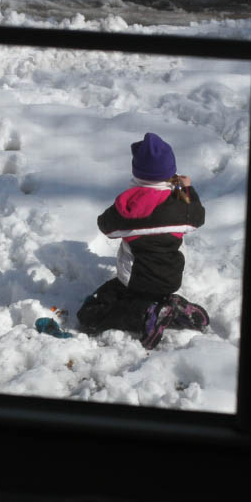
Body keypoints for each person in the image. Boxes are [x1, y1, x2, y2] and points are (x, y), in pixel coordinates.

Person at [77, 132, 210, 349]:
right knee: (152, 295)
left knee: (90, 313)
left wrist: (133, 193)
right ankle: (171, 308)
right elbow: (198, 216)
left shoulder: (129, 206)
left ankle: (146, 314)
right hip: (171, 279)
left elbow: (106, 227)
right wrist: (183, 187)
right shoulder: (182, 205)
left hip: (135, 281)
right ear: (171, 174)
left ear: (137, 173)